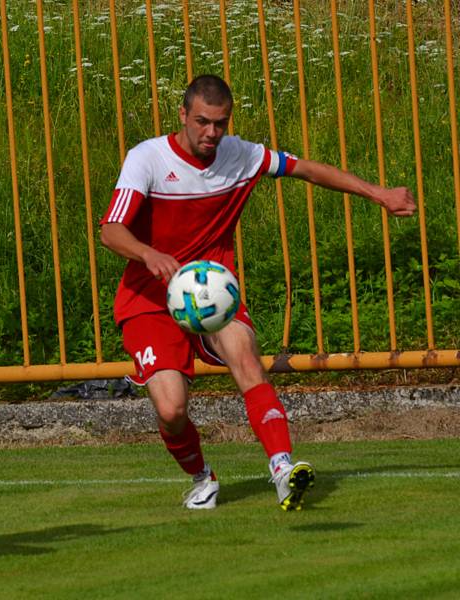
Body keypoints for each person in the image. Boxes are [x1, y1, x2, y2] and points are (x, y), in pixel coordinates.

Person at [99, 74, 416, 511]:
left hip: (214, 292)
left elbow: (306, 169)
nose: (212, 133)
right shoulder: (147, 159)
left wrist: (377, 193)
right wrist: (148, 254)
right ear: (183, 116)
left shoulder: (241, 155)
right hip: (150, 300)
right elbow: (111, 230)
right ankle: (200, 477)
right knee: (171, 410)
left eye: (221, 123)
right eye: (202, 122)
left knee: (247, 359)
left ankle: (282, 468)